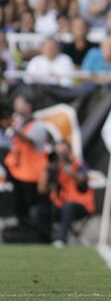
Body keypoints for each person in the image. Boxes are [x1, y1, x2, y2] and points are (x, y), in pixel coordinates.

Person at [4, 93, 50, 237]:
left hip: (32, 174)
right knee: (19, 205)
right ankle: (22, 232)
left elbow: (30, 141)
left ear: (29, 106)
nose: (16, 106)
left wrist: (14, 129)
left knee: (31, 206)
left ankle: (34, 233)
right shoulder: (19, 124)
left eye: (20, 103)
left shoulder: (37, 125)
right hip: (18, 171)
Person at [40, 140, 95, 247]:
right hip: (60, 205)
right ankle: (48, 239)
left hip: (81, 205)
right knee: (37, 212)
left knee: (68, 207)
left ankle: (60, 239)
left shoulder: (78, 164)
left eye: (62, 150)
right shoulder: (53, 167)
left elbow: (81, 179)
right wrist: (46, 168)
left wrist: (64, 165)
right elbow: (42, 189)